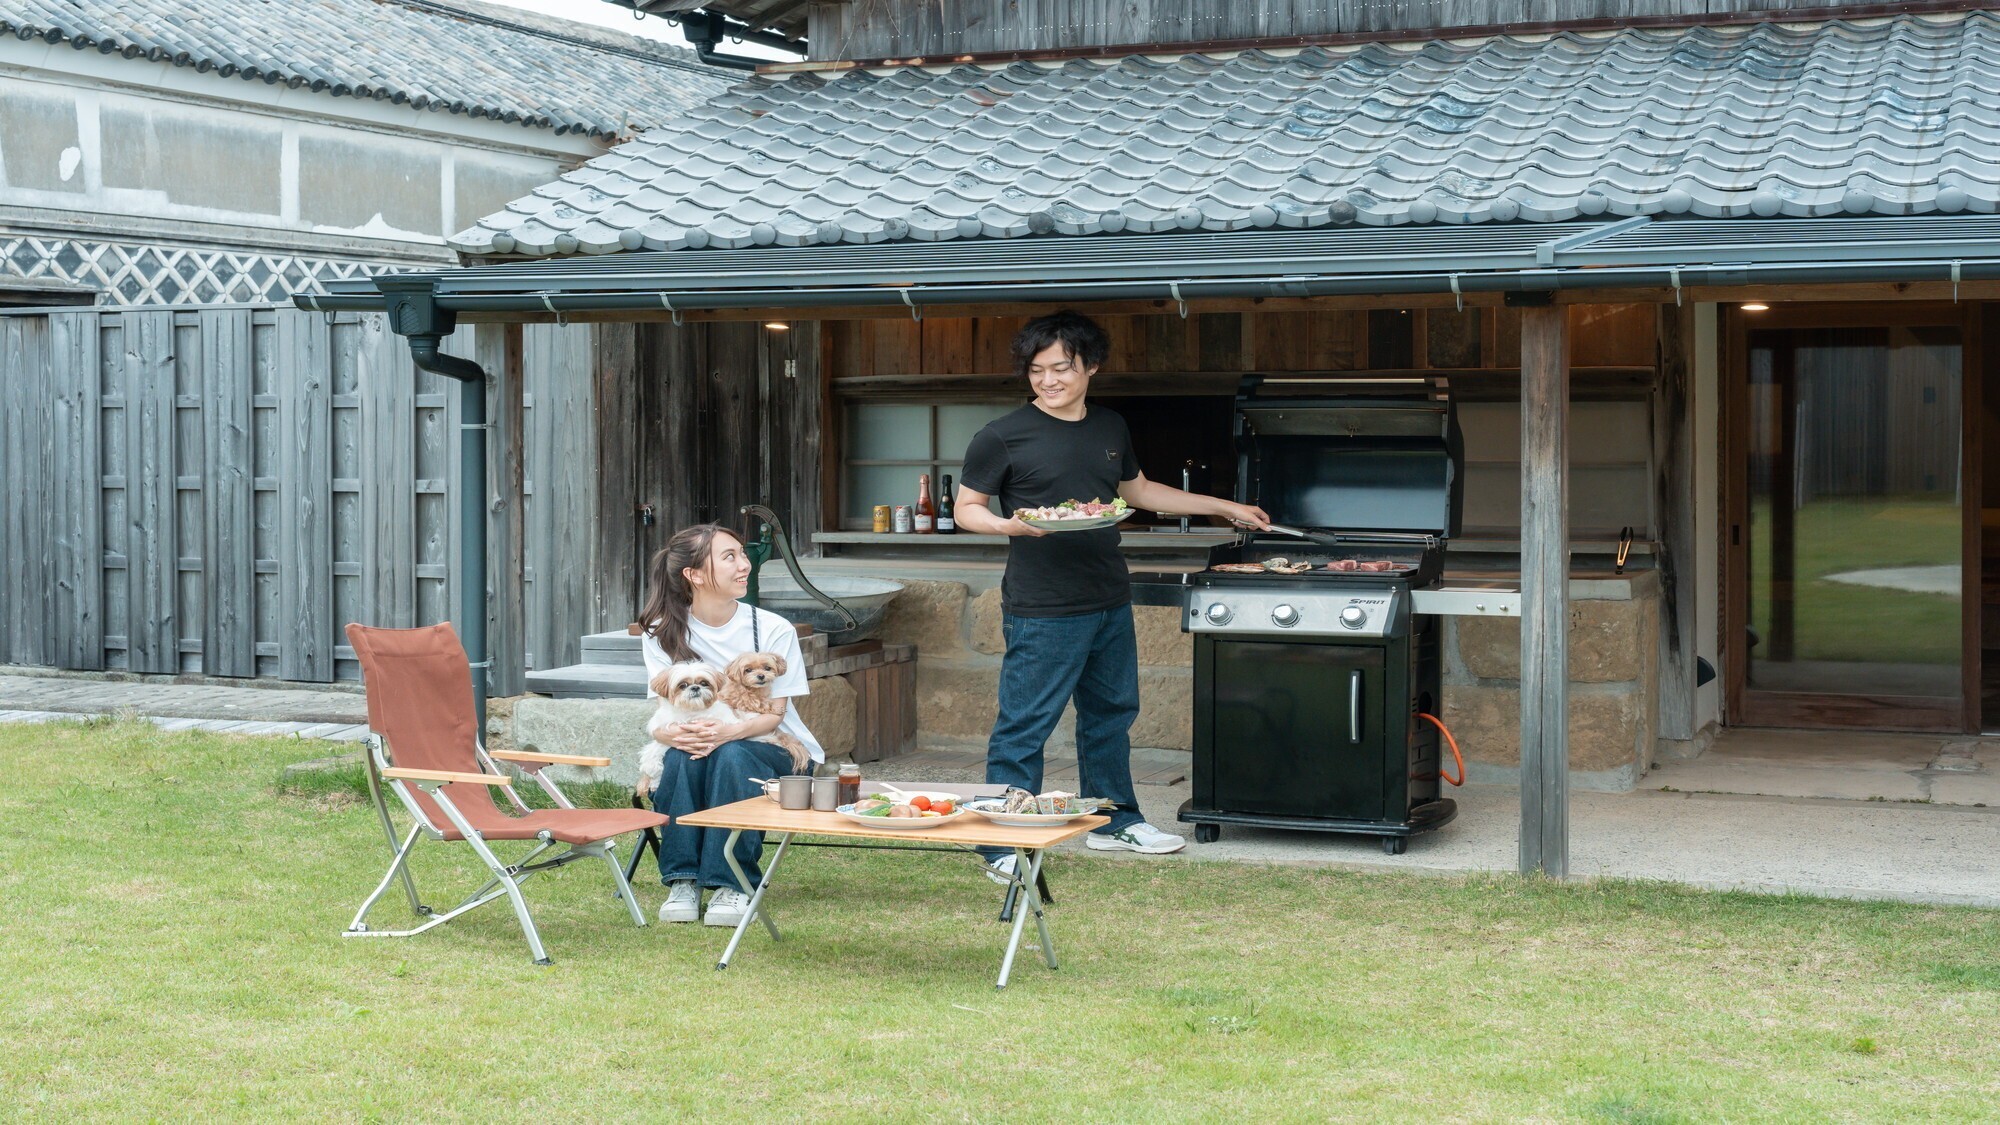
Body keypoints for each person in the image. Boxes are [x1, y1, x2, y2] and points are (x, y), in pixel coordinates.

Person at [953, 310, 1269, 881]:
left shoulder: (1108, 427)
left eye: (1061, 368)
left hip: (1106, 596)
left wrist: (1224, 507)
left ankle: (1115, 820)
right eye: (1037, 370)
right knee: (1026, 723)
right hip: (1043, 605)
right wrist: (1011, 526)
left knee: (1110, 716)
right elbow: (966, 509)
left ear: (1090, 367)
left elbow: (1138, 491)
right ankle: (999, 841)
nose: (1048, 380)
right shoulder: (1001, 436)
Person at [636, 523, 821, 926]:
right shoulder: (661, 632)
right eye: (730, 557)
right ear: (695, 574)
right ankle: (683, 879)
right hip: (698, 745)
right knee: (686, 756)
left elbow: (774, 715)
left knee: (731, 754)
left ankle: (732, 883)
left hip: (776, 752)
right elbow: (663, 717)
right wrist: (670, 735)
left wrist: (727, 732)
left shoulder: (773, 629)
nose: (745, 565)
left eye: (742, 554)